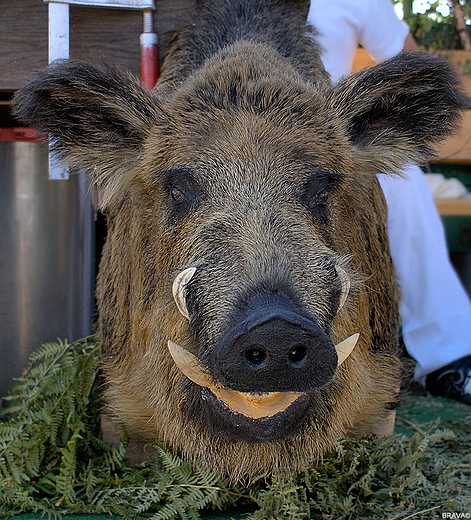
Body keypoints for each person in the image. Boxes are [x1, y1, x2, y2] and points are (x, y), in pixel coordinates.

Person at [307, 0, 471, 405]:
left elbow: (417, 73)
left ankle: (448, 355)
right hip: (219, 138)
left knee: (404, 179)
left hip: (330, 145)